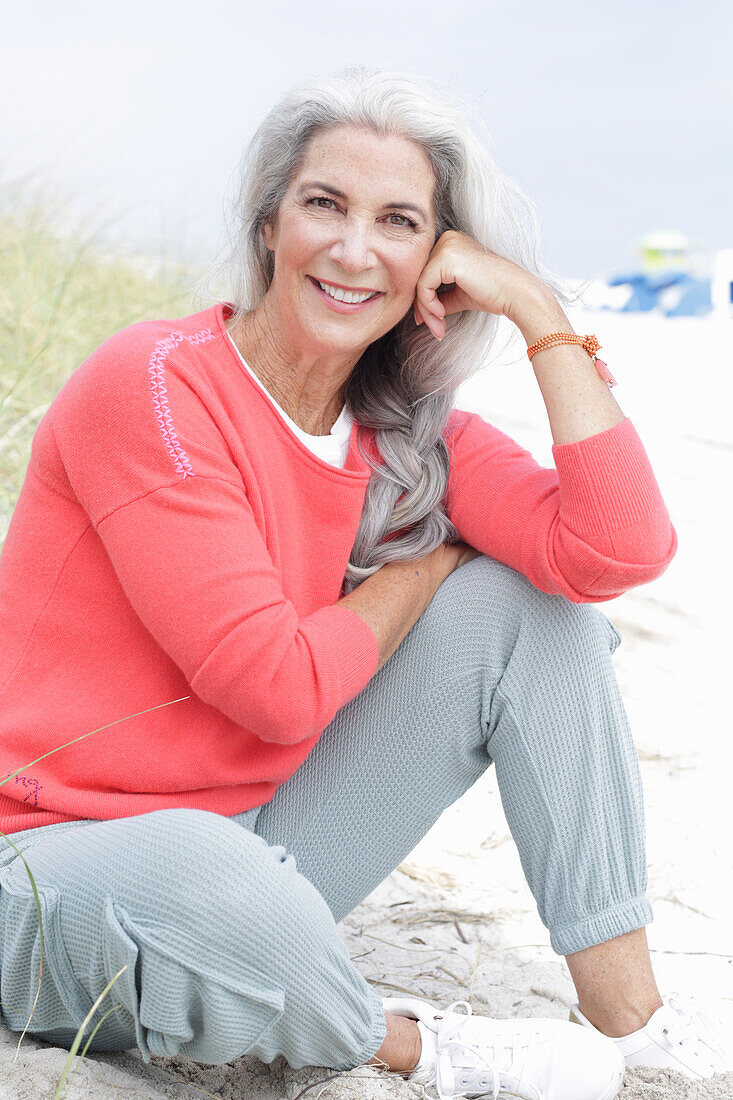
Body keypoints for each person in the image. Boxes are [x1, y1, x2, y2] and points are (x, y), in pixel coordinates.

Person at [0, 65, 728, 1100]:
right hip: (48, 860)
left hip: (259, 840)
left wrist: (535, 307)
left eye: (397, 221)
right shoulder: (154, 383)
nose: (353, 249)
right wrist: (425, 564)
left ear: (435, 259)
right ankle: (407, 1043)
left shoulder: (406, 436)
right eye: (323, 205)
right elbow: (270, 685)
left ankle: (629, 1013)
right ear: (268, 227)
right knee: (226, 887)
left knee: (534, 613)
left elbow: (616, 552)